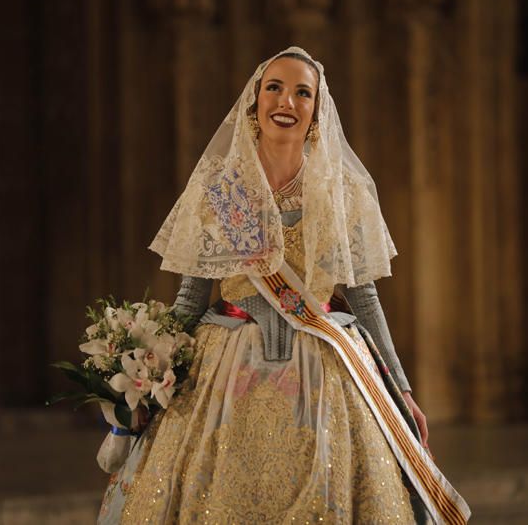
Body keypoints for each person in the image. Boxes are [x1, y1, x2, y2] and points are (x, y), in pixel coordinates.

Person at [98, 47, 469, 525]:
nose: (286, 102)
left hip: (324, 367)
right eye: (274, 88)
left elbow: (365, 298)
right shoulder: (218, 189)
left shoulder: (343, 192)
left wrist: (401, 389)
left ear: (317, 111)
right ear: (254, 101)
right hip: (227, 370)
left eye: (302, 93)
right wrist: (149, 384)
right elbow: (190, 301)